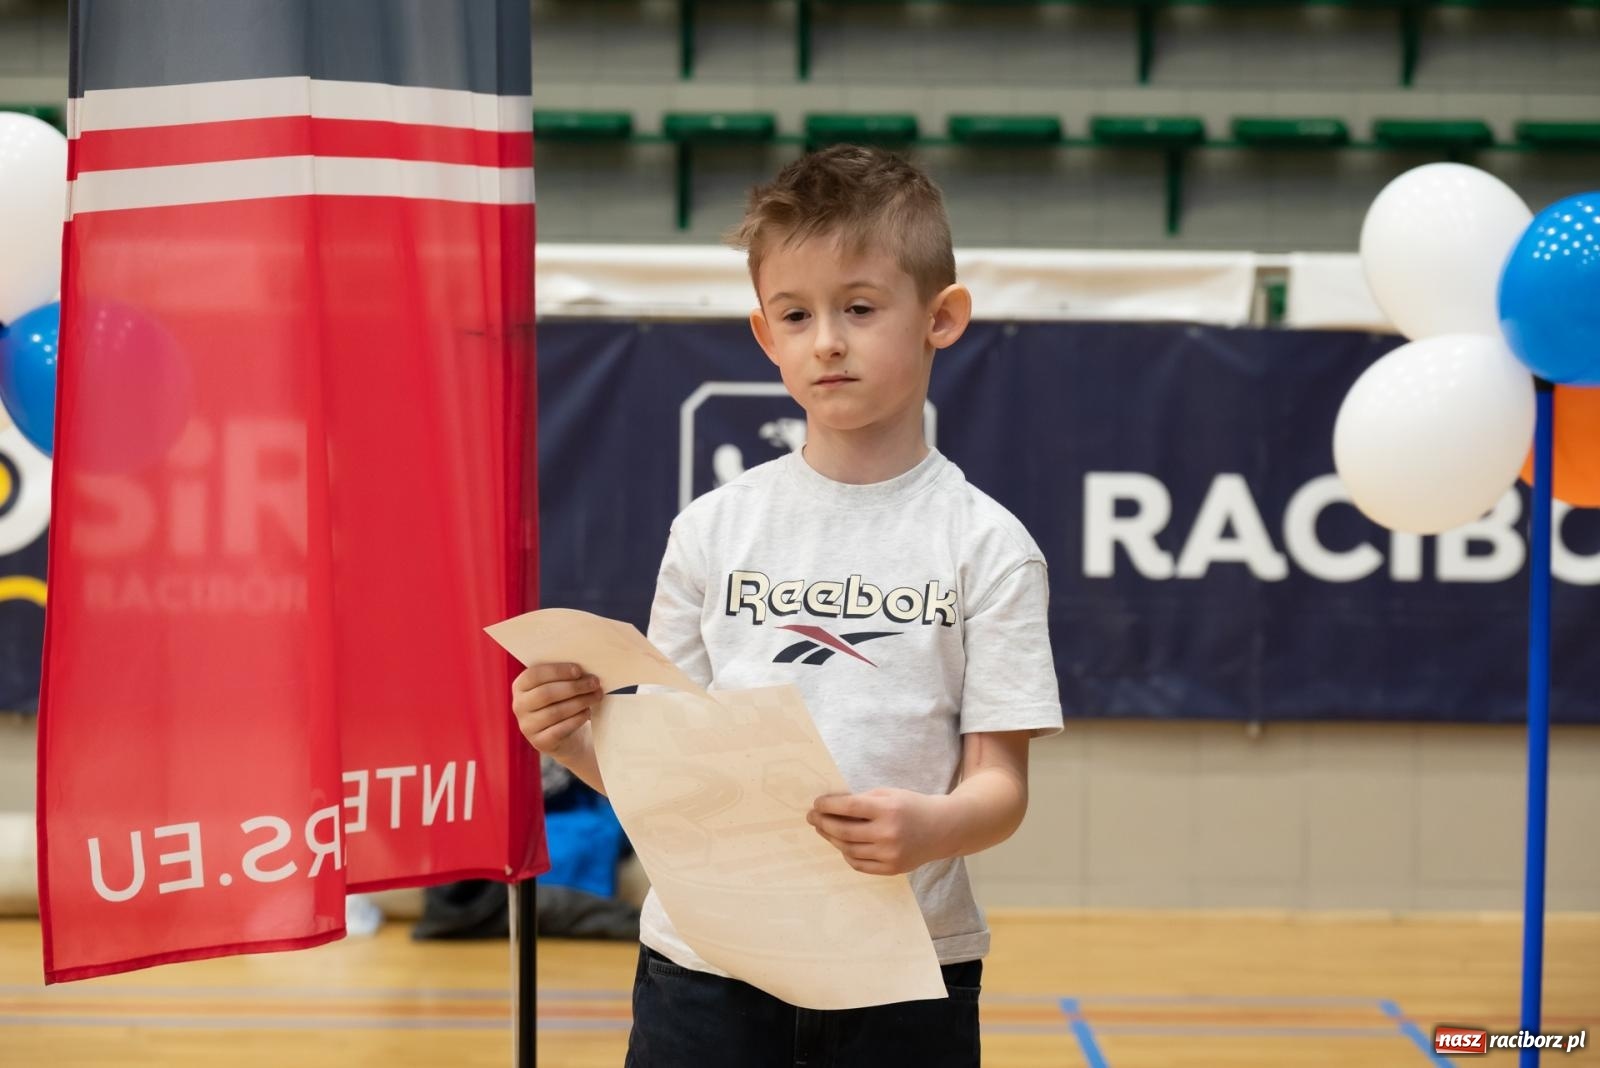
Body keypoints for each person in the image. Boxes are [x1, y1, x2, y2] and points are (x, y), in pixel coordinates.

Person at [512, 144, 1062, 1067]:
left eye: (859, 307)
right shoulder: (711, 528)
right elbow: (667, 778)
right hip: (705, 969)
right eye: (796, 315)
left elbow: (1000, 791)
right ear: (764, 335)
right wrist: (572, 740)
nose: (828, 341)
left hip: (906, 973)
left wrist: (930, 827)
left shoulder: (989, 545)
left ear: (942, 317)